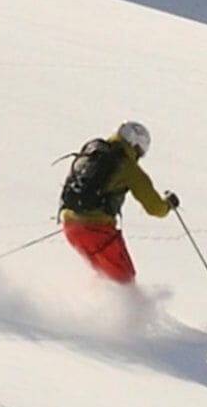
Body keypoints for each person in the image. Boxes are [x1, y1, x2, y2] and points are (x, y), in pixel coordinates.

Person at [57, 120, 174, 284]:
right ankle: (124, 309)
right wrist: (168, 205)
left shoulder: (93, 151)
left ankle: (92, 306)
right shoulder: (129, 168)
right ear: (135, 145)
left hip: (70, 225)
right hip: (98, 231)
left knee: (105, 277)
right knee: (125, 280)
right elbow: (155, 208)